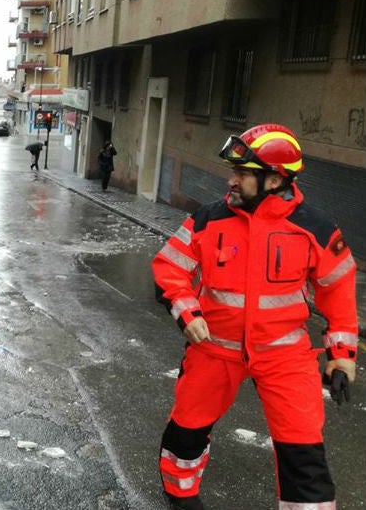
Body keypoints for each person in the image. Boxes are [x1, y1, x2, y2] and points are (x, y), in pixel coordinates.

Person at [151, 124, 358, 510]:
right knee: (185, 433)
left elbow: (338, 289)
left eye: (243, 173)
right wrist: (186, 311)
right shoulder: (208, 219)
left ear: (275, 178)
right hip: (213, 349)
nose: (231, 180)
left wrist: (342, 355)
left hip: (285, 356)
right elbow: (169, 267)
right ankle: (181, 499)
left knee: (303, 454)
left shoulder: (315, 228)